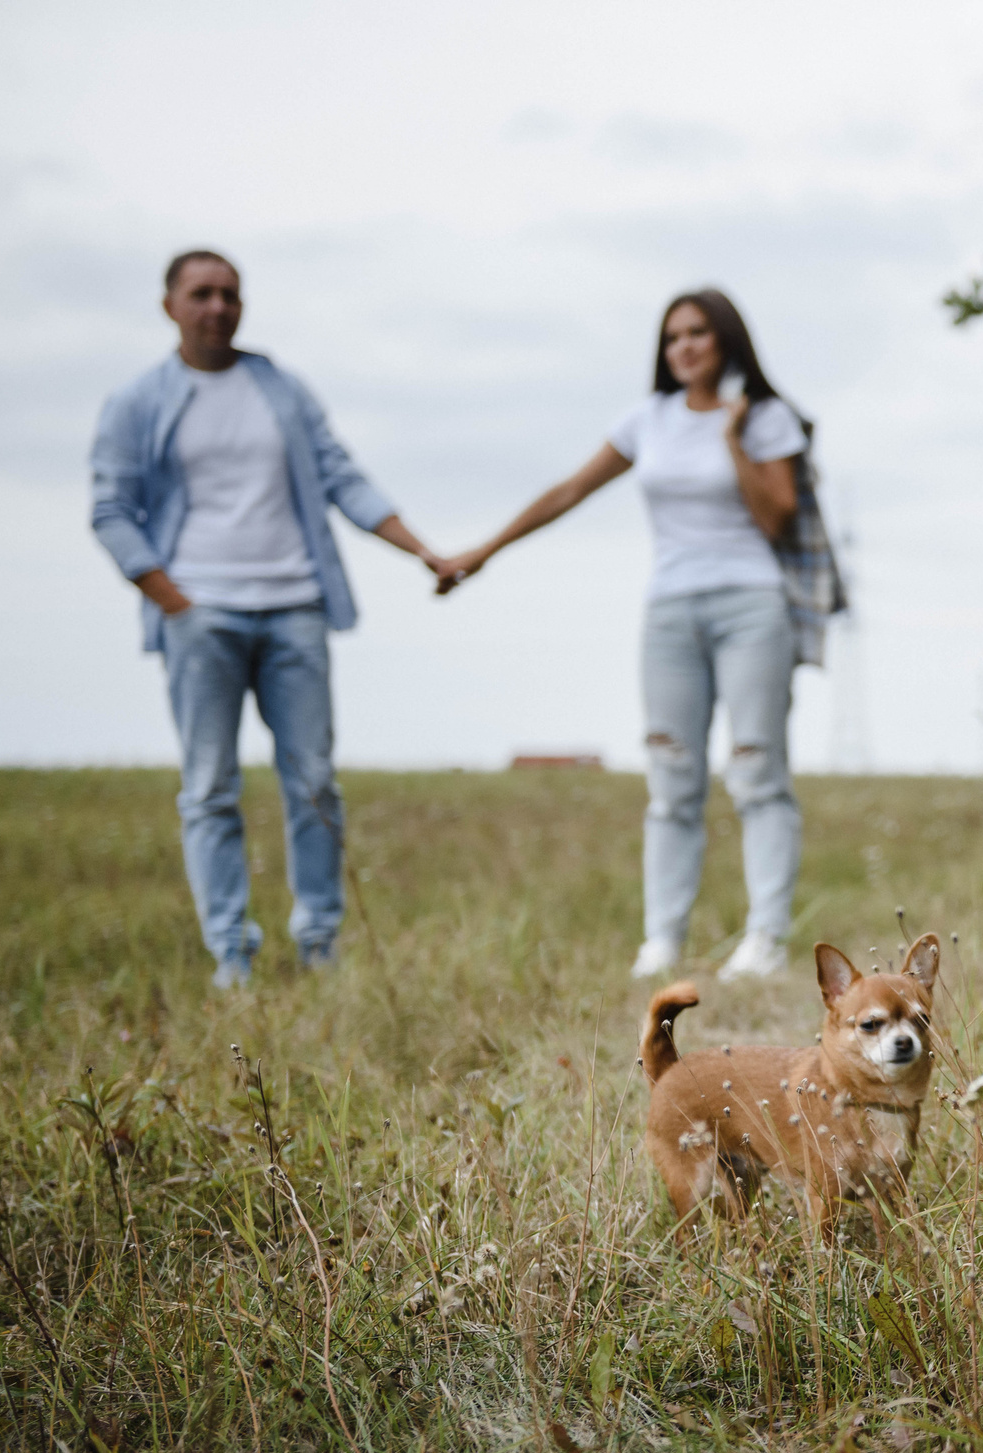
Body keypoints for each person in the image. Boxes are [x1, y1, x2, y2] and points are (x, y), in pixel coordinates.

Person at [436, 288, 842, 982]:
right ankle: (662, 941)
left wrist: (733, 437)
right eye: (672, 336)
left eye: (698, 333)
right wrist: (485, 550)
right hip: (670, 612)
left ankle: (765, 939)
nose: (684, 347)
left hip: (751, 605)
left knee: (757, 772)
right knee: (672, 775)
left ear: (726, 340)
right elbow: (568, 491)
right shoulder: (647, 419)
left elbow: (776, 514)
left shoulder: (764, 418)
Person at [90, 250, 448, 989]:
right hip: (201, 616)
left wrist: (423, 551)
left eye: (230, 294)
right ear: (170, 306)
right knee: (210, 786)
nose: (217, 307)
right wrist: (175, 601)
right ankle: (231, 952)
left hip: (295, 609)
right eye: (201, 293)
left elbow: (343, 477)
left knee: (314, 781)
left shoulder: (280, 388)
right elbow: (111, 509)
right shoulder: (137, 401)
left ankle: (319, 943)